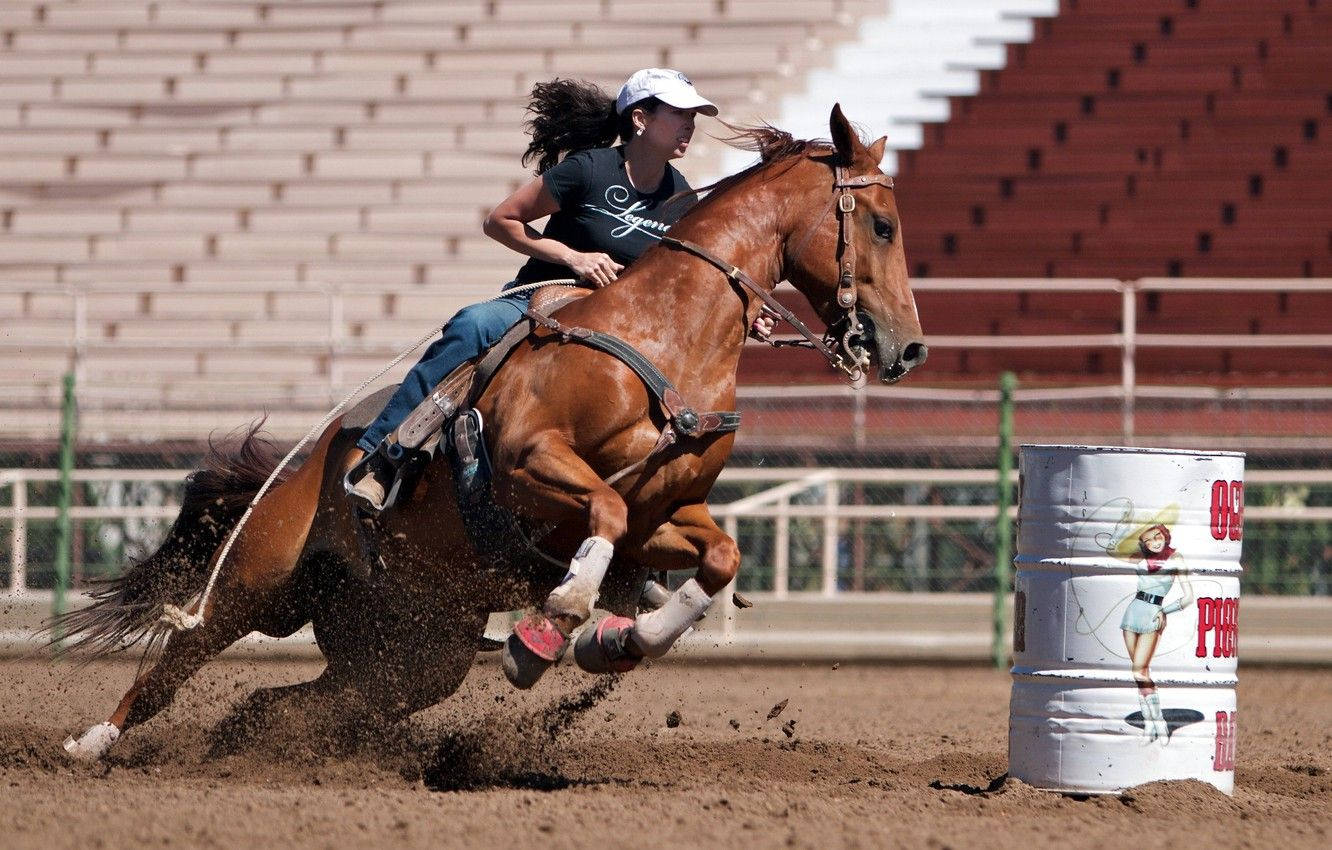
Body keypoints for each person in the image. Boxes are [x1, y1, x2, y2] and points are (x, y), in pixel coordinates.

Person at [345, 69, 721, 513]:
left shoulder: (682, 198)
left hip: (622, 327)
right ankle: (382, 456)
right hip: (541, 300)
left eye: (694, 115)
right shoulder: (588, 169)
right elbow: (501, 221)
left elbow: (680, 279)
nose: (690, 125)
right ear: (640, 118)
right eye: (680, 113)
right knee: (473, 323)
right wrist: (573, 257)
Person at [1117, 519, 1194, 744]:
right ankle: (1150, 726)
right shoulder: (1141, 557)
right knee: (1142, 673)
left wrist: (1165, 611)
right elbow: (1116, 550)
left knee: (1138, 671)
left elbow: (1188, 597)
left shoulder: (1175, 558)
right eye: (1148, 539)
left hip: (1153, 613)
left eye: (1157, 536)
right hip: (1132, 613)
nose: (1154, 543)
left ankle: (1157, 721)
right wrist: (1122, 527)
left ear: (1165, 535)